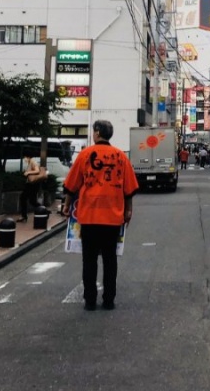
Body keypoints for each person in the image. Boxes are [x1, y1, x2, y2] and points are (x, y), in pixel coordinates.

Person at [63, 120, 138, 311]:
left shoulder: (85, 155)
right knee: (110, 260)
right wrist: (128, 210)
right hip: (113, 217)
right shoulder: (121, 157)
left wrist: (66, 205)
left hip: (89, 216)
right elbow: (128, 189)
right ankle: (108, 300)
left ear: (97, 133)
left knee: (89, 260)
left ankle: (90, 300)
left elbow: (71, 185)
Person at [18, 156, 41, 222]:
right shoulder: (30, 163)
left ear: (27, 157)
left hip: (32, 184)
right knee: (32, 201)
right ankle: (43, 210)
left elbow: (37, 171)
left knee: (23, 198)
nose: (24, 159)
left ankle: (24, 216)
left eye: (24, 157)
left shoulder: (33, 162)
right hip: (31, 184)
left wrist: (28, 172)